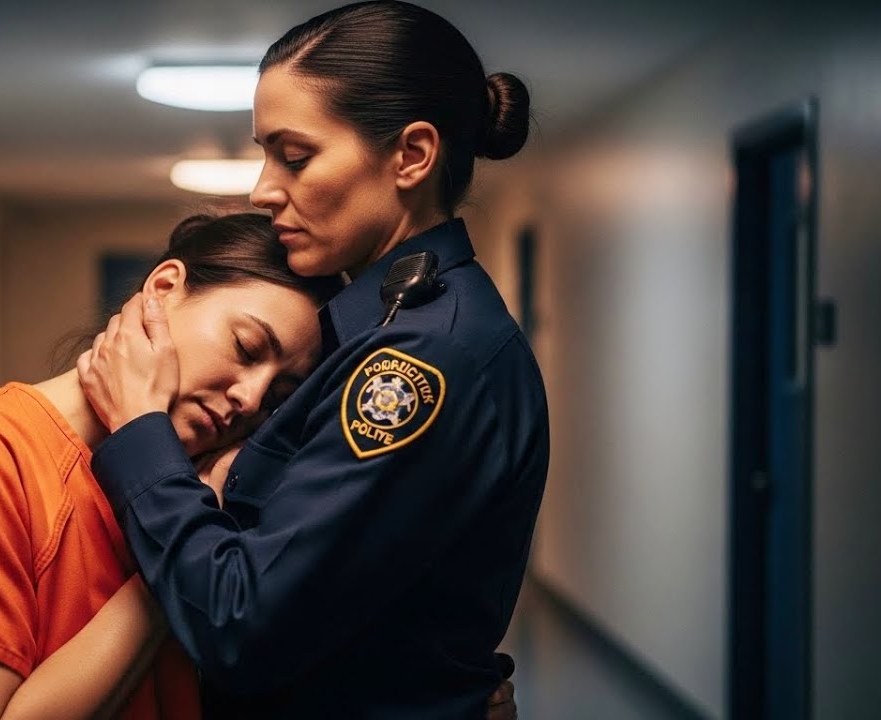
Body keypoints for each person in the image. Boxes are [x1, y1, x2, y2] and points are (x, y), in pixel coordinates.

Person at [0, 213, 518, 718]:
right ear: (164, 288)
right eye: (247, 346)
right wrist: (182, 569)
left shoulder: (205, 483)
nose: (251, 399)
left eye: (281, 393)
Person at [76, 2, 547, 718]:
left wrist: (142, 430)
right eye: (265, 154)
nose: (265, 188)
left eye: (295, 157)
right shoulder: (384, 323)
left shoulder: (422, 359)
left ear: (412, 157)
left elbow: (244, 625)